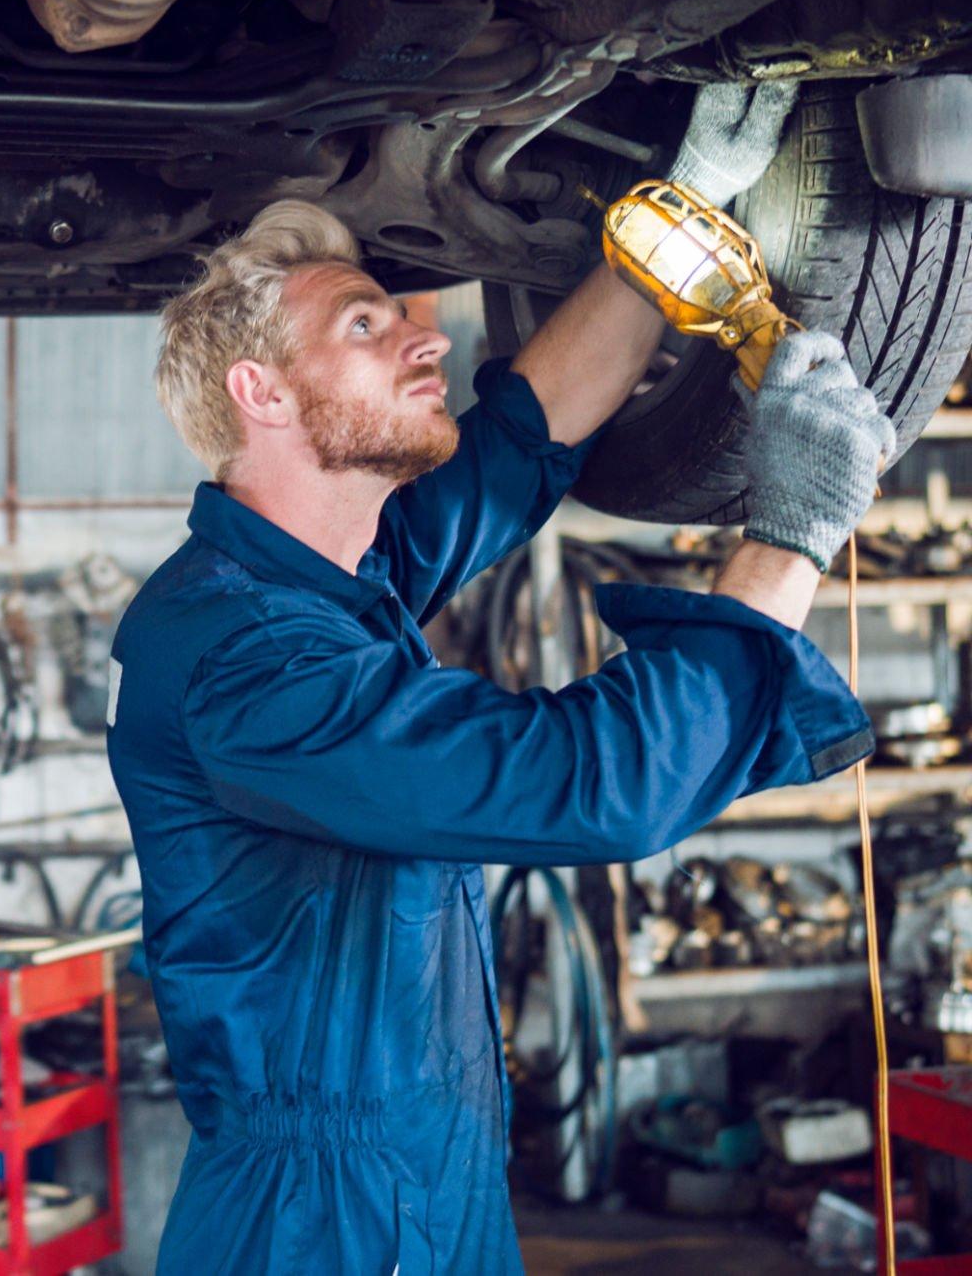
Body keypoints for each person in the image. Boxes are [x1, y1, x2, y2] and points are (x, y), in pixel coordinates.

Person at [105, 85, 895, 1272]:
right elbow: (587, 785)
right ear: (257, 396)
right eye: (365, 329)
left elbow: (516, 445)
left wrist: (668, 224)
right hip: (316, 1222)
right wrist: (785, 534)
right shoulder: (245, 660)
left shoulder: (331, 578)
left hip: (433, 1175)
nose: (426, 337)